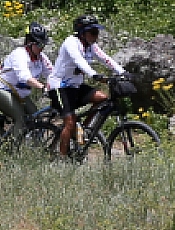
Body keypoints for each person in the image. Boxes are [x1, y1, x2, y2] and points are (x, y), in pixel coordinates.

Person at [48, 15, 125, 157]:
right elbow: (78, 61)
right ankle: (62, 158)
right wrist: (94, 75)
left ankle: (85, 130)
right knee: (69, 122)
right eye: (93, 32)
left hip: (75, 86)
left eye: (97, 32)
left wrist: (123, 72)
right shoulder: (71, 42)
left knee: (102, 99)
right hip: (59, 86)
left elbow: (106, 59)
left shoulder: (91, 46)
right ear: (82, 33)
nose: (96, 35)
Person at [0, 23, 53, 145]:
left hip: (18, 93)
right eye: (39, 44)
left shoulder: (41, 58)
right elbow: (24, 77)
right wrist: (42, 87)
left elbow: (52, 75)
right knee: (20, 118)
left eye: (43, 44)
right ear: (29, 43)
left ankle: (35, 146)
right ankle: (10, 149)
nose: (41, 48)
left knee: (36, 117)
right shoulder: (19, 54)